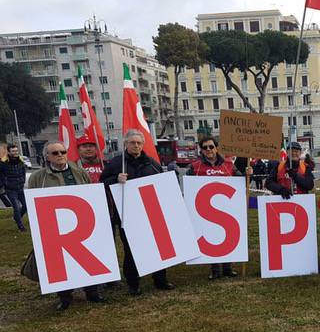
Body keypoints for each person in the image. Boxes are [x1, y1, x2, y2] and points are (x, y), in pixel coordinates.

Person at [27, 141, 106, 310]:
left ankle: (92, 291)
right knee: (59, 263)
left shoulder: (79, 173)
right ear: (47, 157)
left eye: (62, 151)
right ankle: (64, 296)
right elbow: (32, 204)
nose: (60, 155)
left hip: (81, 224)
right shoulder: (38, 178)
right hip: (54, 226)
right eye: (55, 153)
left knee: (87, 258)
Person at [100, 129, 175, 295]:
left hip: (151, 214)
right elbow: (102, 182)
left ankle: (160, 279)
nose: (136, 145)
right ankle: (133, 284)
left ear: (143, 144)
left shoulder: (152, 164)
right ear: (126, 144)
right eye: (132, 142)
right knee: (130, 250)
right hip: (127, 215)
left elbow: (162, 185)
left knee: (157, 246)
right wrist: (115, 179)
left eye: (139, 143)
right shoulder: (115, 163)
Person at [187, 136, 250, 280]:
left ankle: (228, 267)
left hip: (226, 207)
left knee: (226, 235)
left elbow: (241, 182)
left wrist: (248, 175)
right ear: (201, 150)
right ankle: (215, 269)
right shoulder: (195, 167)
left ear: (216, 148)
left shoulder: (228, 165)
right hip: (205, 209)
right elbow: (189, 187)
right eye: (205, 147)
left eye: (211, 147)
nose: (208, 150)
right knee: (210, 235)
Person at [0, 144, 28, 231]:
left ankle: (16, 218)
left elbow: (23, 171)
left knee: (25, 205)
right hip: (10, 189)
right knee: (16, 207)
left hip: (20, 187)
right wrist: (4, 185)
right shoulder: (3, 163)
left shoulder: (21, 160)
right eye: (13, 151)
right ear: (9, 152)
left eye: (16, 151)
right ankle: (21, 227)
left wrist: (23, 181)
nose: (15, 152)